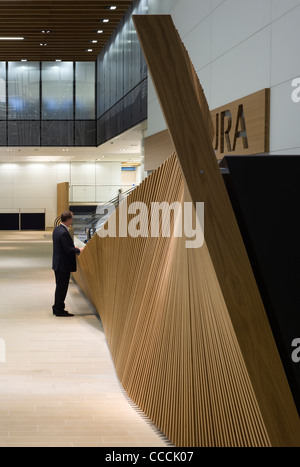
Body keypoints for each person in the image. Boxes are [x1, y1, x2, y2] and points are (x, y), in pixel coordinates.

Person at [52, 211, 83, 317]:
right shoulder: (64, 232)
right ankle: (59, 309)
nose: (72, 220)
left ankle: (57, 307)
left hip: (58, 263)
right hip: (63, 265)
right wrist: (79, 249)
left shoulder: (57, 230)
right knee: (62, 287)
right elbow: (69, 250)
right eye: (72, 219)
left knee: (59, 287)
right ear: (68, 219)